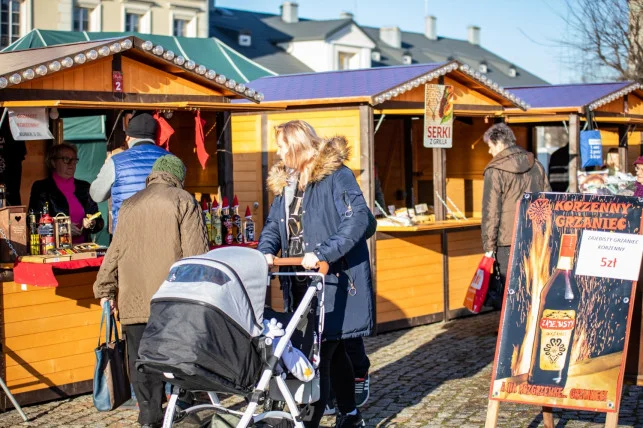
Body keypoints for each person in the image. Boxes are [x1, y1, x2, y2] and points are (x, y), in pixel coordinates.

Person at [258, 120, 374, 428]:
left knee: (317, 352)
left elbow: (359, 219)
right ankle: (350, 415)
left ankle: (306, 421)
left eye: (282, 146)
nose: (279, 153)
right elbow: (273, 226)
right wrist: (266, 252)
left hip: (333, 281)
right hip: (299, 282)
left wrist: (323, 253)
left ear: (296, 145)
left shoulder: (337, 176)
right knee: (332, 351)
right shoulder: (287, 184)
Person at [93, 155, 209, 428]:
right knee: (179, 356)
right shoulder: (183, 201)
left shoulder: (130, 205)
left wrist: (105, 288)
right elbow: (197, 256)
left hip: (134, 299)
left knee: (141, 361)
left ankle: (149, 417)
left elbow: (115, 251)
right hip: (171, 300)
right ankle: (186, 410)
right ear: (178, 177)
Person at [481, 123, 550, 299]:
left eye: (490, 147)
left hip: (507, 240)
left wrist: (489, 247)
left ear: (498, 143)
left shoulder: (495, 170)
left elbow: (491, 211)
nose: (490, 152)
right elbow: (548, 200)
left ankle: (510, 326)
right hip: (536, 234)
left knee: (509, 290)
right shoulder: (536, 165)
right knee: (533, 285)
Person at [90, 111, 168, 233]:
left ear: (128, 137)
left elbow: (96, 195)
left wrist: (106, 165)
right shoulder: (172, 160)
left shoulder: (116, 161)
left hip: (126, 236)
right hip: (163, 233)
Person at [29, 142, 103, 242]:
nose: (71, 164)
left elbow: (99, 221)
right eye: (66, 159)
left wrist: (92, 223)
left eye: (74, 160)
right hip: (53, 251)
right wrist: (61, 229)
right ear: (53, 162)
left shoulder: (84, 187)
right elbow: (33, 225)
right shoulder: (42, 188)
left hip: (83, 249)